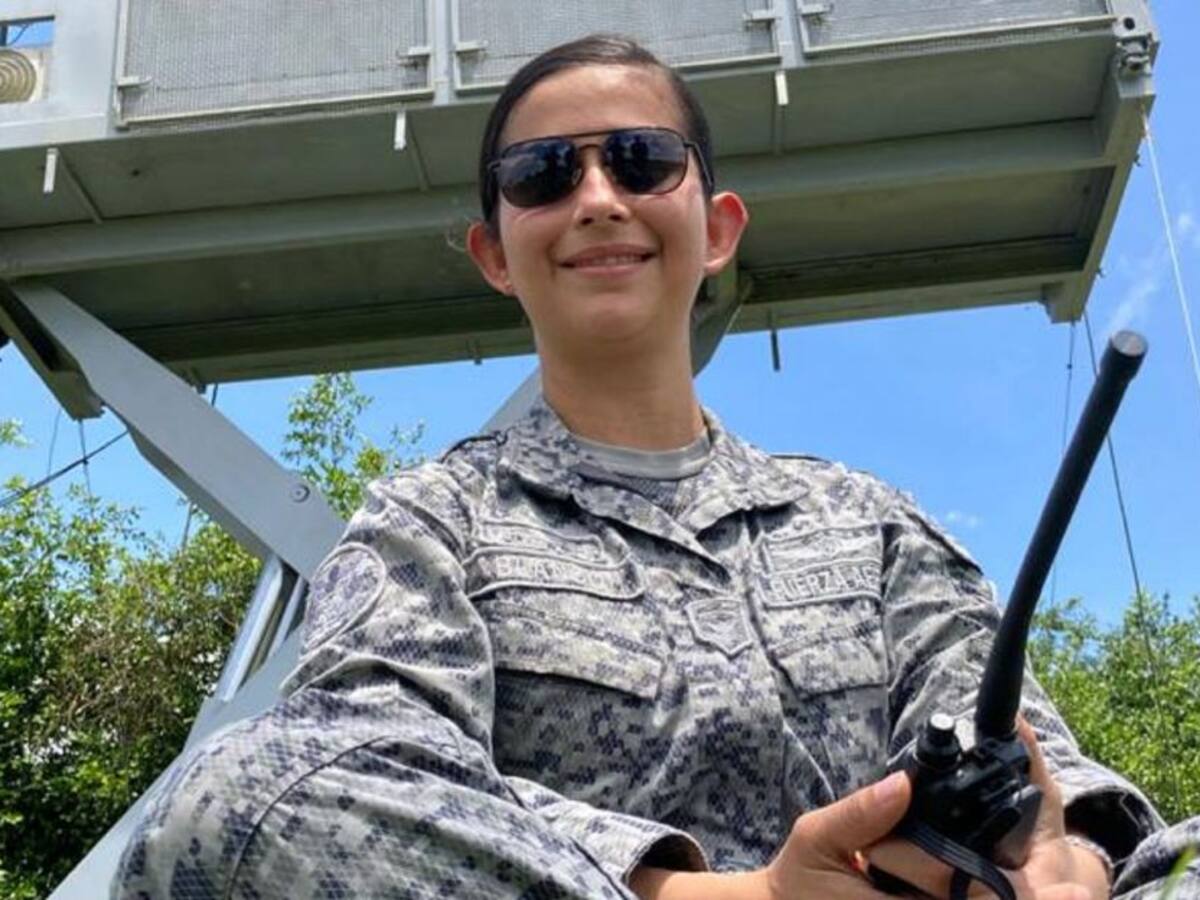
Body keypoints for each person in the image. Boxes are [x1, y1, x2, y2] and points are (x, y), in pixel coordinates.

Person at [114, 34, 1197, 900]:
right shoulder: (431, 521)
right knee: (231, 796)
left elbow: (1023, 748)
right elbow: (344, 768)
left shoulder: (863, 521)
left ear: (716, 226)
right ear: (495, 251)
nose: (596, 198)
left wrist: (1068, 859)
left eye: (640, 160)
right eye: (544, 173)